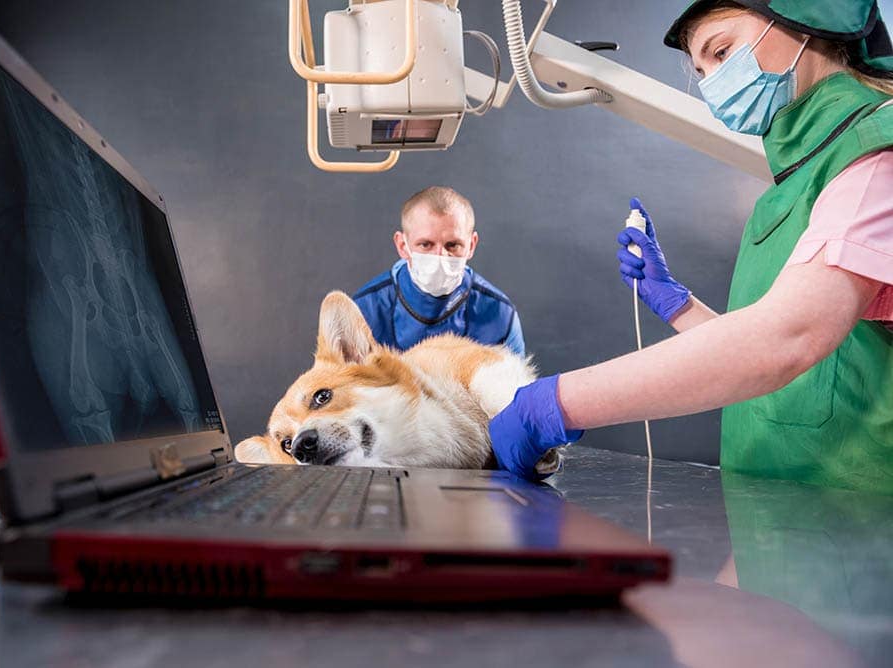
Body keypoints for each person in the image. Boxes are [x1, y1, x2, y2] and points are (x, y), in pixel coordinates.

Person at [490, 0, 893, 494]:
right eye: (703, 71)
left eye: (722, 51)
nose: (715, 84)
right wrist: (679, 305)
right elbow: (795, 369)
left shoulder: (876, 156)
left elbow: (788, 338)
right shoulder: (794, 185)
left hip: (860, 525)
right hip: (778, 517)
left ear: (806, 17)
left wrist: (555, 403)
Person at [353, 186, 526, 355]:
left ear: (471, 245)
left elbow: (517, 383)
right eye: (425, 244)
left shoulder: (499, 315)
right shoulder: (364, 312)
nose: (440, 257)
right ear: (402, 245)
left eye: (453, 245)